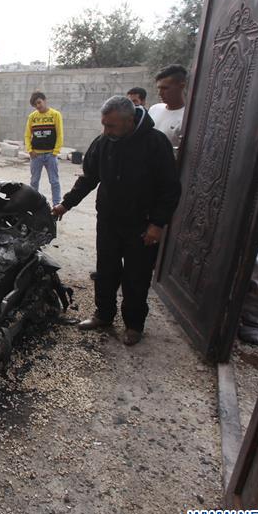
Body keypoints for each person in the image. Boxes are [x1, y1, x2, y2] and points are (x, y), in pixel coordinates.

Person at [52, 96, 181, 346]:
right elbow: (89, 178)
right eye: (104, 124)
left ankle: (134, 325)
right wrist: (65, 204)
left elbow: (170, 188)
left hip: (142, 225)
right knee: (106, 271)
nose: (105, 130)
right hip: (109, 221)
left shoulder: (156, 143)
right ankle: (103, 315)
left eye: (110, 126)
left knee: (137, 276)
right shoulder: (104, 143)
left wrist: (157, 224)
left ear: (129, 121)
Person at [24, 91, 63, 206]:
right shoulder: (32, 117)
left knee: (54, 181)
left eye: (39, 103)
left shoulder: (55, 115)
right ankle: (33, 203)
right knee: (34, 181)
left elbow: (60, 134)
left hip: (51, 154)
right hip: (36, 155)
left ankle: (56, 204)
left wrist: (55, 152)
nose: (38, 106)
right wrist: (30, 150)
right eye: (35, 105)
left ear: (44, 100)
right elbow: (27, 135)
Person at [148, 65, 187, 152]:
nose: (160, 93)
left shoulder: (187, 118)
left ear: (181, 86)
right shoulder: (154, 109)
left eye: (165, 88)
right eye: (158, 88)